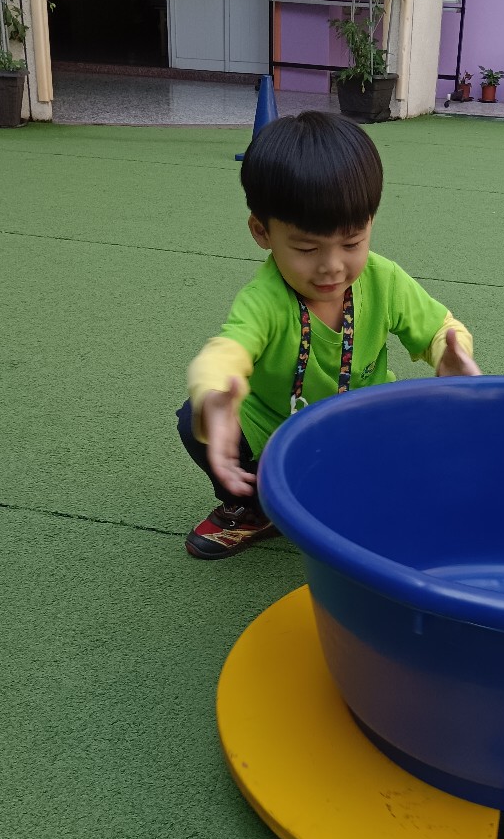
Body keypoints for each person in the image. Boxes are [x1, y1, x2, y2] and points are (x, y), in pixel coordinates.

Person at [177, 110, 480, 560]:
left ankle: (371, 500)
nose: (332, 266)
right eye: (306, 248)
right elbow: (225, 351)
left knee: (422, 447)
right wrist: (214, 394)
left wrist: (449, 352)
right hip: (276, 424)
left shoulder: (384, 280)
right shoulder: (265, 299)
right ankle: (256, 508)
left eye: (352, 242)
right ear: (262, 232)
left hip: (363, 420)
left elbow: (440, 326)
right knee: (194, 421)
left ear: (370, 223)